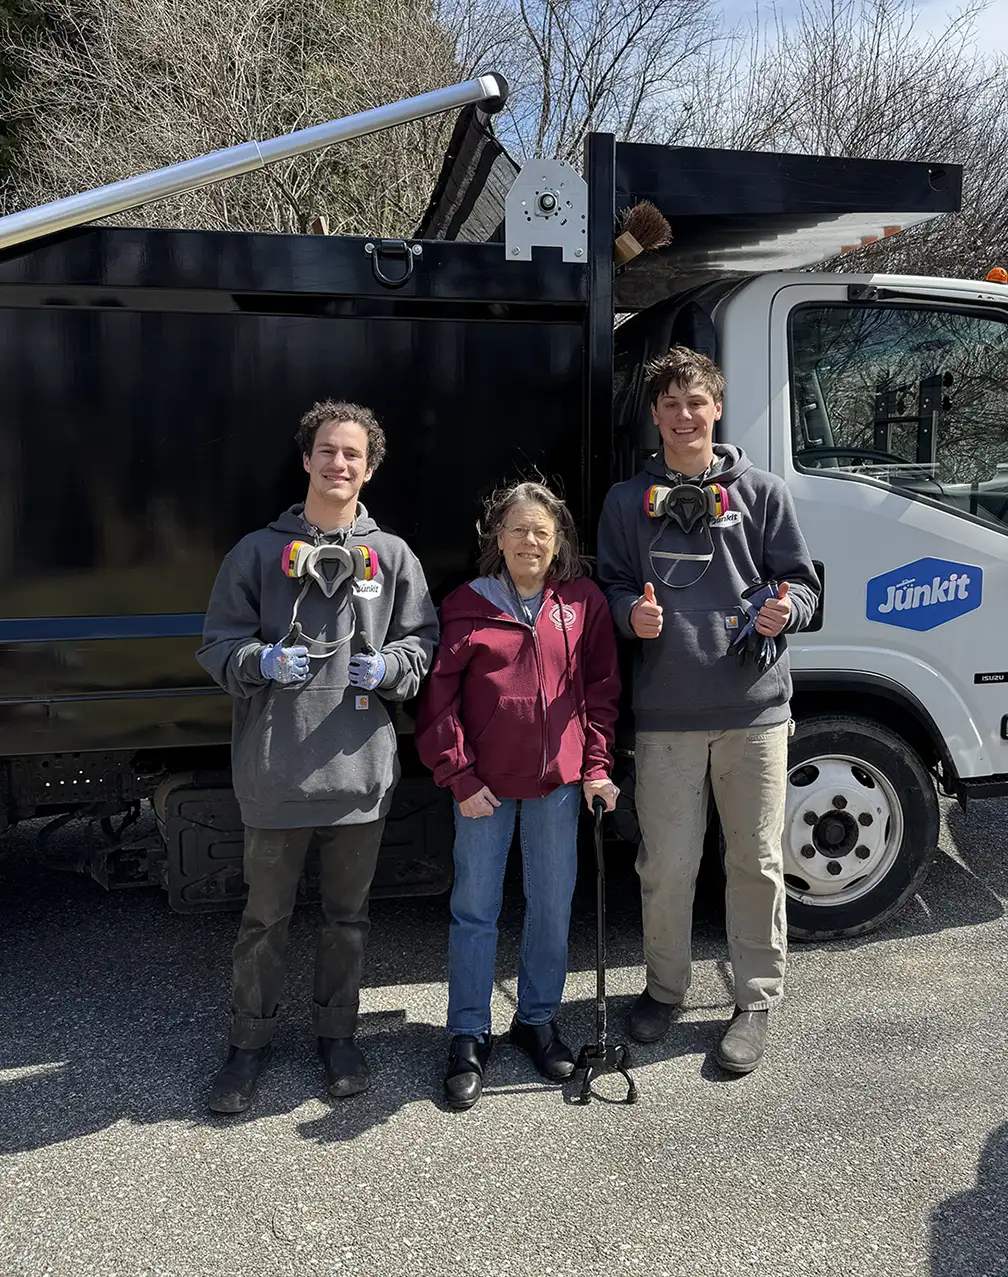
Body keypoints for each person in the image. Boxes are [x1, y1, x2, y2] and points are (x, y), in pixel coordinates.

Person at [197, 399, 438, 1114]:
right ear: (306, 459)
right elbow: (216, 648)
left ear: (369, 467)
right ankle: (248, 1045)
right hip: (275, 776)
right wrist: (260, 660)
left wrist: (391, 669)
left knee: (347, 918)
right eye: (328, 451)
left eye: (353, 455)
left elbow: (423, 645)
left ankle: (338, 1035)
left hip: (358, 777)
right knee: (263, 919)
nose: (339, 464)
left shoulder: (392, 557)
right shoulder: (256, 553)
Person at [596, 346, 821, 1074]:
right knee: (666, 864)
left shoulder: (763, 492)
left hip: (754, 712)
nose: (685, 416)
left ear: (716, 407)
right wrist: (633, 614)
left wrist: (785, 611)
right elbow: (607, 590)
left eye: (697, 402)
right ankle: (666, 987)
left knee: (754, 858)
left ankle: (755, 997)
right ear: (655, 413)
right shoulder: (625, 502)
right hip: (665, 716)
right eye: (671, 404)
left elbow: (805, 588)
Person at [415, 481, 621, 1111]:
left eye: (541, 531)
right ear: (496, 539)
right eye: (517, 530)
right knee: (475, 909)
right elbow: (437, 701)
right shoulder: (466, 605)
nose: (529, 541)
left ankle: (536, 1020)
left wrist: (596, 768)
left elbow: (600, 694)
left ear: (557, 541)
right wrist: (459, 775)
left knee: (552, 906)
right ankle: (468, 1033)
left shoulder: (581, 603)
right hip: (483, 790)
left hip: (558, 786)